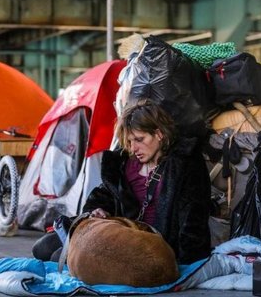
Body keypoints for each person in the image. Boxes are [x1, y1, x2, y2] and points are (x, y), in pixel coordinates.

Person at [32, 100, 211, 265]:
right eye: (130, 141)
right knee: (42, 248)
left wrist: (184, 262)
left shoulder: (185, 164)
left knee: (59, 257)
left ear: (159, 134)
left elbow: (193, 220)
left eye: (140, 140)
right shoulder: (125, 162)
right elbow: (104, 194)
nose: (134, 148)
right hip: (118, 229)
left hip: (151, 243)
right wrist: (97, 210)